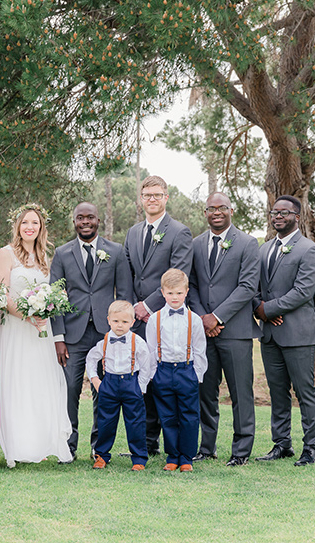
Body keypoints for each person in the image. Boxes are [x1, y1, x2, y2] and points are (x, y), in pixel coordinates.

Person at [49, 201, 132, 461]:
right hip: (73, 336)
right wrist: (59, 338)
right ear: (73, 221)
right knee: (70, 391)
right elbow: (54, 298)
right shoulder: (62, 254)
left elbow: (125, 293)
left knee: (104, 392)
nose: (85, 222)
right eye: (80, 218)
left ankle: (100, 447)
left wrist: (121, 333)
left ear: (98, 220)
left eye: (90, 217)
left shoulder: (115, 251)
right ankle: (68, 446)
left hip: (106, 334)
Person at [0, 203, 72, 467]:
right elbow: (1, 295)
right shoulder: (5, 254)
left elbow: (52, 292)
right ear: (17, 226)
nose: (30, 227)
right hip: (16, 327)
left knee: (40, 383)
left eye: (35, 223)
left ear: (41, 228)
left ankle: (39, 443)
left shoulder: (45, 257)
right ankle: (17, 444)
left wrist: (45, 310)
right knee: (16, 381)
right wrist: (27, 316)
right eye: (25, 222)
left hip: (42, 329)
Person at [188, 192, 261, 467]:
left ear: (231, 210)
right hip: (203, 332)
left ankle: (241, 451)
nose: (216, 212)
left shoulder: (247, 243)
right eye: (211, 208)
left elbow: (248, 286)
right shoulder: (195, 245)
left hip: (236, 332)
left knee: (241, 393)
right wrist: (202, 318)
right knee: (205, 392)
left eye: (221, 208)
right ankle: (207, 447)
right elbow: (192, 285)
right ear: (205, 213)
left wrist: (217, 317)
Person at [124, 175, 193, 456]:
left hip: (164, 317)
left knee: (164, 383)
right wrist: (131, 307)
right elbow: (127, 273)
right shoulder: (132, 232)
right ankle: (146, 443)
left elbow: (179, 273)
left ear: (166, 198)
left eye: (157, 194)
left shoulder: (179, 232)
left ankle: (174, 445)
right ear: (141, 199)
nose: (152, 199)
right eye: (147, 195)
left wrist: (148, 305)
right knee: (142, 379)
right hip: (136, 319)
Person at [254, 195, 315, 466]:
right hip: (270, 334)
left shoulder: (310, 249)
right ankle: (281, 444)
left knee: (304, 391)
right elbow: (253, 286)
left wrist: (267, 310)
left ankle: (312, 447)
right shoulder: (263, 249)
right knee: (277, 391)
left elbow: (304, 291)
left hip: (298, 334)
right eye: (274, 212)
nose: (278, 216)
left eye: (285, 212)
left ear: (297, 216)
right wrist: (259, 309)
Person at [146, 269, 207, 472]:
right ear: (163, 292)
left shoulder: (194, 319)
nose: (175, 297)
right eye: (170, 293)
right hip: (163, 371)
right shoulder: (154, 319)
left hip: (186, 371)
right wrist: (154, 375)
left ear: (186, 292)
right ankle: (172, 456)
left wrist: (196, 375)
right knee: (168, 416)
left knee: (189, 416)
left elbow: (199, 350)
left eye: (179, 293)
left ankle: (186, 458)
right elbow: (151, 349)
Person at [86, 300, 154, 471]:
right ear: (108, 320)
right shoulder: (105, 341)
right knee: (105, 422)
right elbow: (91, 358)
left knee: (135, 423)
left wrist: (141, 386)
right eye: (116, 321)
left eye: (124, 322)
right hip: (109, 383)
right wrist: (95, 380)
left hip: (131, 383)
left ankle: (139, 458)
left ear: (132, 322)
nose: (119, 325)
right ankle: (101, 455)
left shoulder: (137, 342)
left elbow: (147, 365)